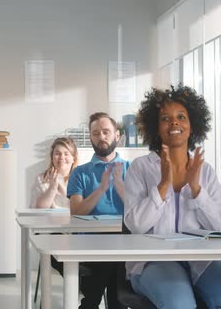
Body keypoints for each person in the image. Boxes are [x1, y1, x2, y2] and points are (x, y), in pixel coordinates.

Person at [124, 85, 221, 309]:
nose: (174, 122)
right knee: (180, 303)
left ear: (192, 126)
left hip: (200, 261)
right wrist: (163, 184)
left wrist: (196, 189)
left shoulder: (206, 171)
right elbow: (135, 225)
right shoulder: (140, 168)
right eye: (165, 118)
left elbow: (219, 224)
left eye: (181, 117)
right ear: (156, 127)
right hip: (153, 261)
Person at [67, 112, 130, 309]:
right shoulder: (79, 172)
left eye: (106, 132)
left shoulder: (133, 168)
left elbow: (140, 211)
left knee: (114, 268)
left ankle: (92, 303)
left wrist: (119, 185)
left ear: (117, 135)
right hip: (91, 245)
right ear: (90, 137)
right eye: (96, 133)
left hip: (125, 244)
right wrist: (101, 188)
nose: (101, 137)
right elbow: (76, 211)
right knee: (110, 269)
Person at [30, 137, 78, 209]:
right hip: (47, 219)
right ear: (52, 158)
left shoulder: (80, 178)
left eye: (66, 154)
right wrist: (52, 187)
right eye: (57, 154)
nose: (62, 157)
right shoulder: (42, 179)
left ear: (73, 158)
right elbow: (38, 208)